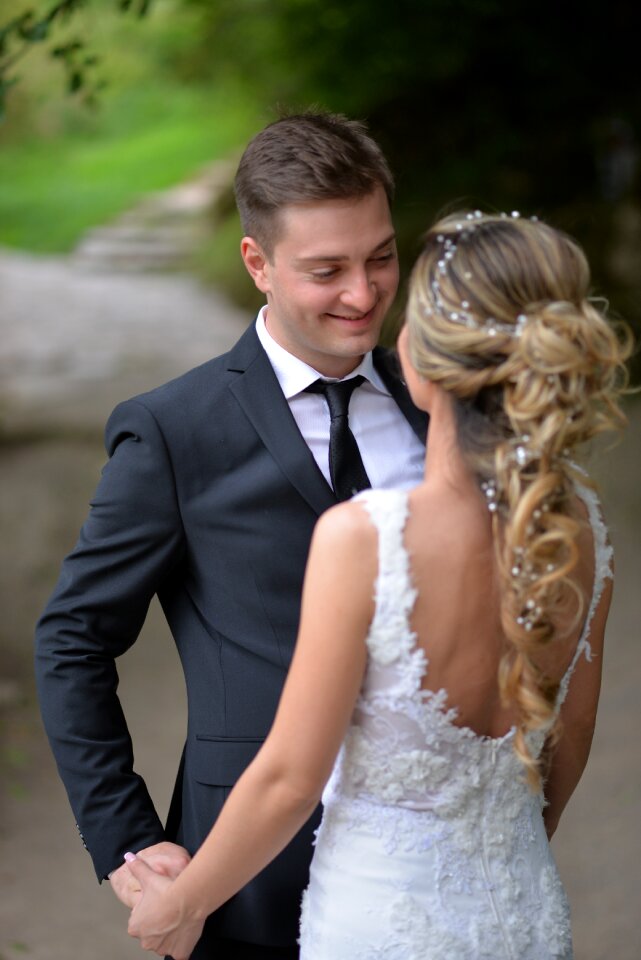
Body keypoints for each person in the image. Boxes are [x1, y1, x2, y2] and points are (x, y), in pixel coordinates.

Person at [124, 211, 631, 960]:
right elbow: (573, 732)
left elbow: (291, 776)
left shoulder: (368, 538)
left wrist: (182, 906)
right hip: (522, 915)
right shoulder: (576, 532)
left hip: (380, 921)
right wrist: (500, 855)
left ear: (420, 358)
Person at [34, 111, 427, 959]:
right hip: (249, 872)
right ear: (257, 263)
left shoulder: (437, 408)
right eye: (326, 270)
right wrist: (126, 841)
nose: (363, 295)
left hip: (431, 854)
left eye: (381, 257)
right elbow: (72, 638)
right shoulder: (173, 431)